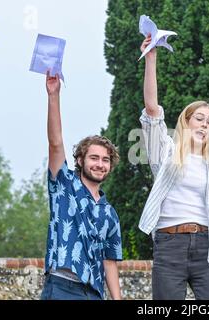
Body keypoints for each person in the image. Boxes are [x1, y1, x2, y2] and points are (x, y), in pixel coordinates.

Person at [138, 34, 209, 300]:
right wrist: (151, 58)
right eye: (199, 119)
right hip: (170, 245)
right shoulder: (166, 152)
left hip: (208, 249)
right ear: (187, 121)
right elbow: (152, 110)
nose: (204, 124)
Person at [40, 71, 123, 300]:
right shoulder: (63, 186)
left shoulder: (110, 214)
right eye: (94, 158)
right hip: (61, 287)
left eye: (105, 160)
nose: (100, 164)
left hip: (94, 293)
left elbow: (110, 261)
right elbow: (55, 143)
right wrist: (53, 95)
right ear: (80, 160)